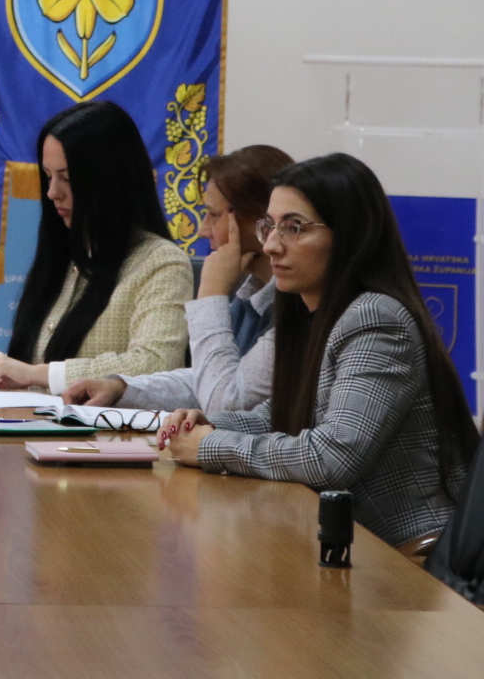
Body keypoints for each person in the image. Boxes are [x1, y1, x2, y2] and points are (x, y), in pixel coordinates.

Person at [160, 154, 478, 548]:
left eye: (294, 228)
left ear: (350, 235)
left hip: (408, 558)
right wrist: (207, 425)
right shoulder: (315, 312)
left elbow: (332, 457)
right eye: (269, 226)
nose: (271, 245)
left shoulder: (376, 318)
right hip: (342, 544)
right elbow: (280, 416)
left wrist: (210, 446)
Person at [0, 100, 192, 393]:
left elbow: (157, 363)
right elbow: (21, 372)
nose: (52, 193)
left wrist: (38, 374)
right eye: (48, 176)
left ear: (109, 180)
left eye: (67, 178)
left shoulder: (161, 263)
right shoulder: (65, 256)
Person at [66, 144, 292, 412]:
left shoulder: (294, 310)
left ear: (260, 222)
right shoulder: (252, 297)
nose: (203, 230)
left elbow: (224, 401)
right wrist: (121, 389)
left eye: (213, 215)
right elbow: (205, 379)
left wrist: (211, 294)